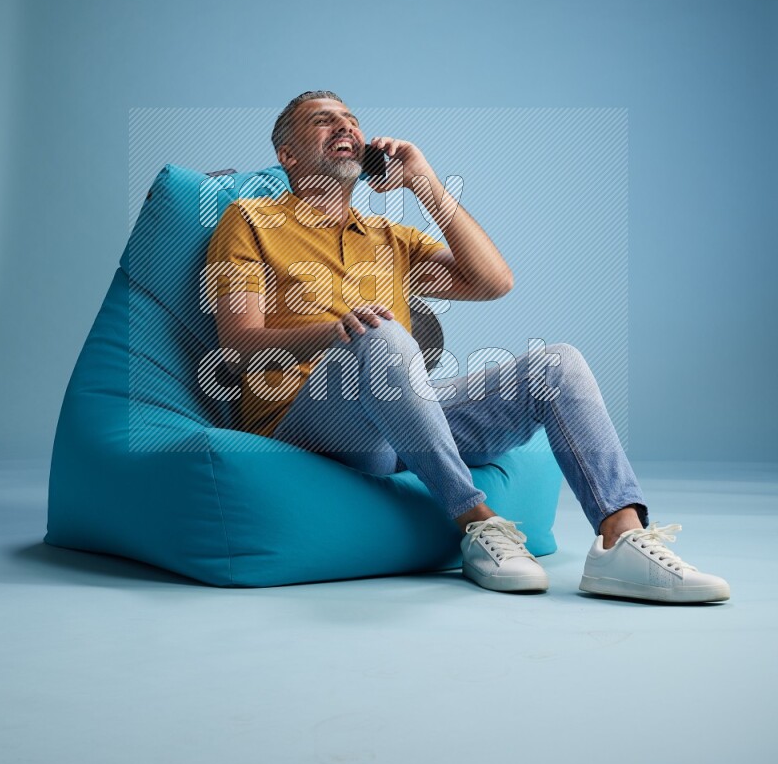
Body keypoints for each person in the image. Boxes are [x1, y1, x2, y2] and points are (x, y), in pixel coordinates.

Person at [205, 90, 730, 604]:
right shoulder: (249, 219)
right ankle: (477, 523)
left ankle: (620, 537)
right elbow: (238, 341)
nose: (344, 126)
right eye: (323, 120)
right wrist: (336, 330)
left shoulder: (388, 236)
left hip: (399, 420)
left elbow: (493, 281)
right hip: (307, 421)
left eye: (350, 118)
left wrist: (424, 181)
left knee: (558, 364)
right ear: (287, 155)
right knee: (381, 334)